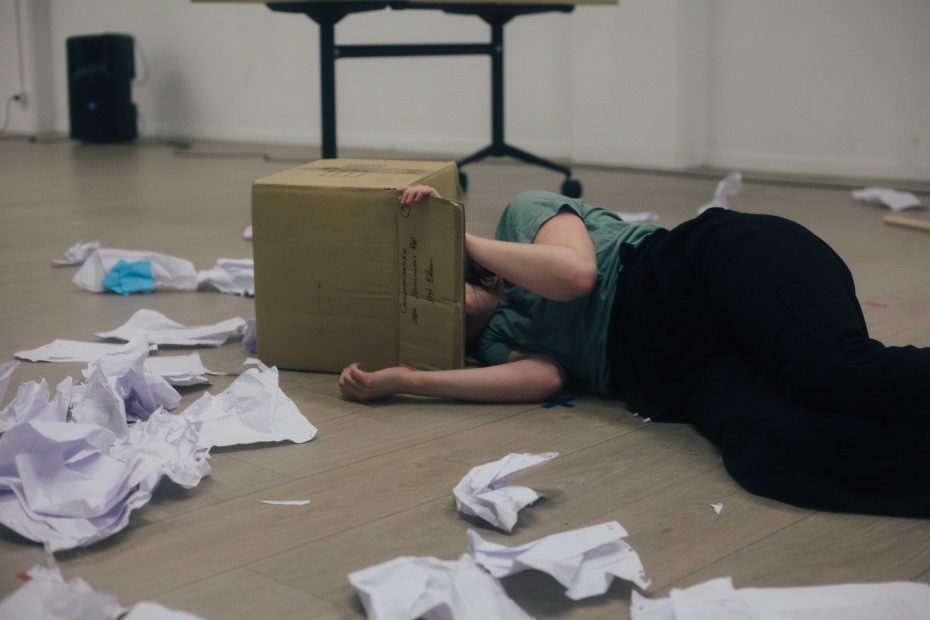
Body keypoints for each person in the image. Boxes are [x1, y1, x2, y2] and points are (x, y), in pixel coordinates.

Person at [339, 185, 930, 518]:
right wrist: (408, 379)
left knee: (827, 371)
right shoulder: (494, 346)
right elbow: (544, 380)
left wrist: (449, 234)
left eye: (420, 276)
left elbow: (574, 276)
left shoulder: (523, 215)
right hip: (683, 372)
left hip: (704, 270)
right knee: (772, 452)